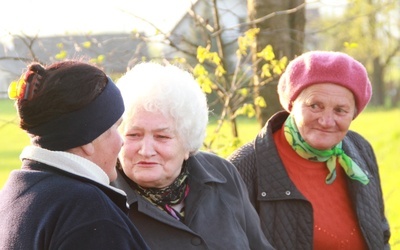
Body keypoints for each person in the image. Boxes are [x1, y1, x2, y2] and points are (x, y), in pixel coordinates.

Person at [228, 51, 391, 249]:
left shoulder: (360, 150)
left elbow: (380, 235)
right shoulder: (241, 168)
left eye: (340, 110)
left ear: (354, 114)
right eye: (315, 106)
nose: (326, 121)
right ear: (292, 104)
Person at [112, 62, 274, 250]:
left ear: (188, 140)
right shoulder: (104, 198)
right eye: (133, 135)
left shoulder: (222, 173)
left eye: (162, 136)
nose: (146, 150)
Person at [0, 60, 149, 249]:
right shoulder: (90, 213)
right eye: (116, 127)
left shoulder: (15, 193)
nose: (122, 141)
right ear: (87, 139)